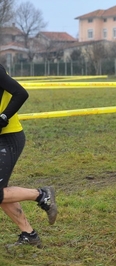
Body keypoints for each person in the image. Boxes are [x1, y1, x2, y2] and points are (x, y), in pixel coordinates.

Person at [0, 64, 58, 248]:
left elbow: (20, 93)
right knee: (2, 192)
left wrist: (3, 117)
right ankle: (29, 234)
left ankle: (42, 195)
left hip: (8, 138)